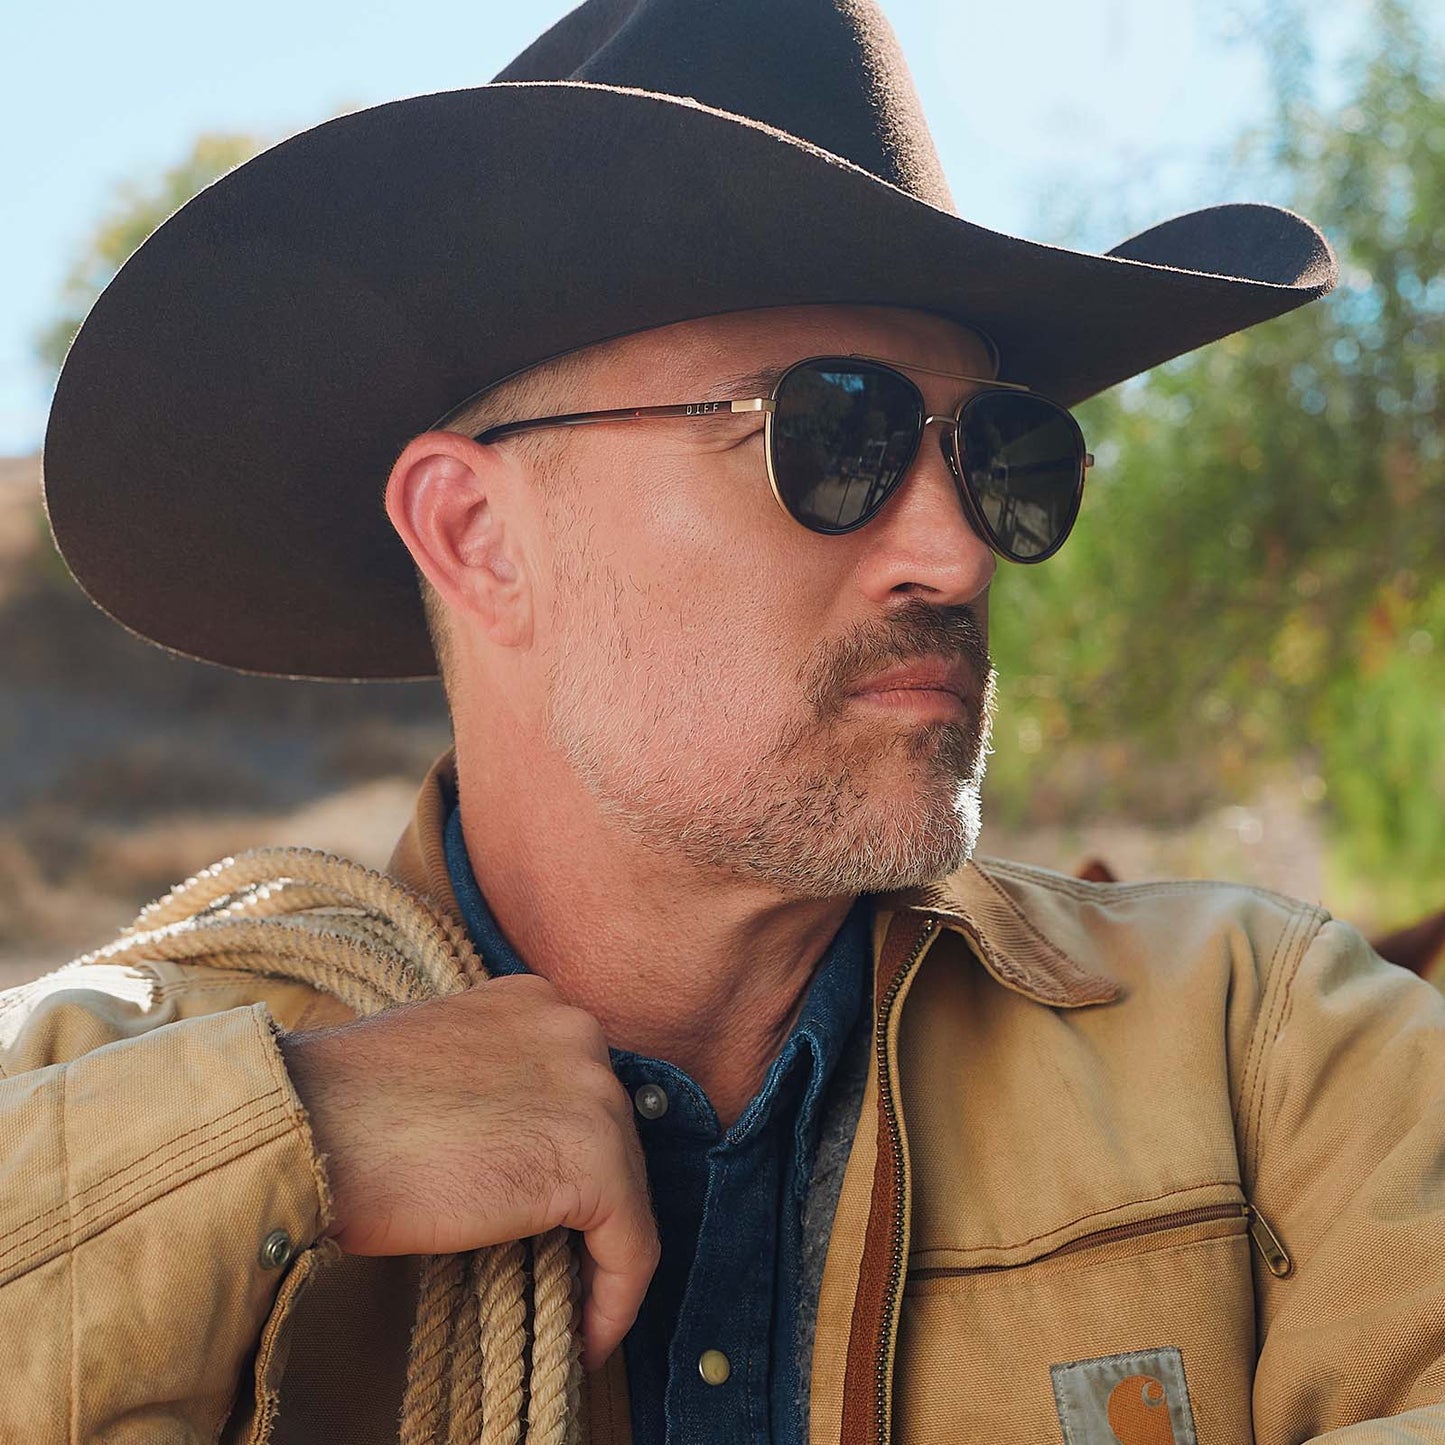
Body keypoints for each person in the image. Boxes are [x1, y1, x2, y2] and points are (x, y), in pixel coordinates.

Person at [8, 1, 1443, 1442]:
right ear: (478, 535)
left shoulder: (1262, 1047)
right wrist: (284, 1142)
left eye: (999, 456)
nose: (954, 555)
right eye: (837, 434)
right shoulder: (99, 1080)